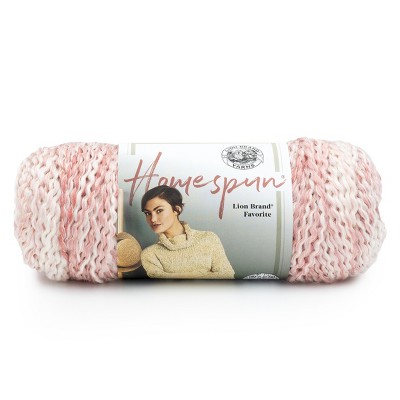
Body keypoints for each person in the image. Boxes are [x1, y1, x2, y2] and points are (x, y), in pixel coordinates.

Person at [140, 185, 235, 279]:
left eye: (159, 211)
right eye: (148, 213)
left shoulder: (209, 238)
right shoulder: (150, 254)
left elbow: (227, 276)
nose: (153, 219)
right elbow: (161, 286)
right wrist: (201, 274)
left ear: (177, 210)